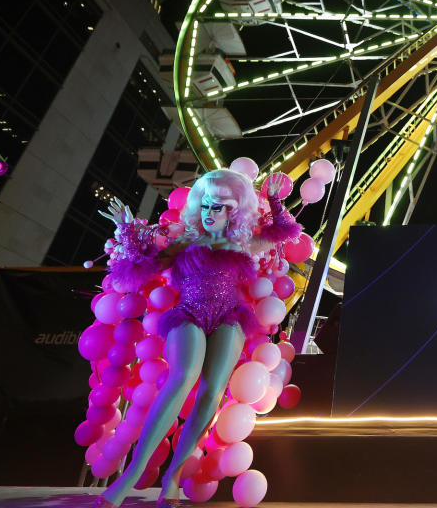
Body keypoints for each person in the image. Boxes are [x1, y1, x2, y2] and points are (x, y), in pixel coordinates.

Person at [94, 169, 300, 508]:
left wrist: (275, 198)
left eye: (219, 207)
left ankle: (172, 478)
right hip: (188, 314)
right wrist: (127, 227)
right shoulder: (185, 241)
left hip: (229, 318)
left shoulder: (244, 241)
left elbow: (284, 232)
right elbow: (142, 265)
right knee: (184, 375)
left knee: (212, 393)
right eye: (206, 206)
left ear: (234, 210)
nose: (210, 213)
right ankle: (131, 474)